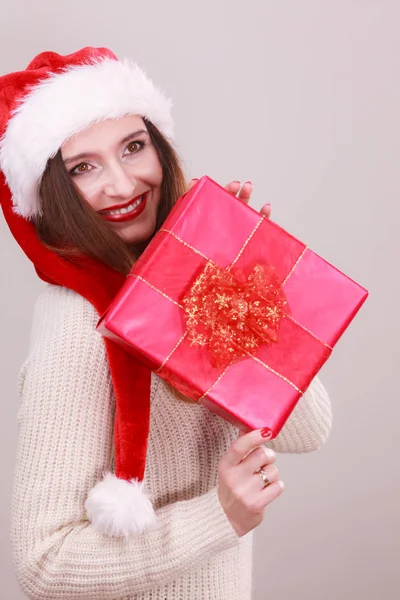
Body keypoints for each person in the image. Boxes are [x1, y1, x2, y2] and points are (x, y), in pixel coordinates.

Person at [0, 47, 332, 600]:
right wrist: (217, 516)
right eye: (84, 167)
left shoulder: (189, 274)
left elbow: (309, 429)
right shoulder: (77, 322)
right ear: (53, 190)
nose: (124, 184)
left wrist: (229, 277)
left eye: (134, 147)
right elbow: (44, 564)